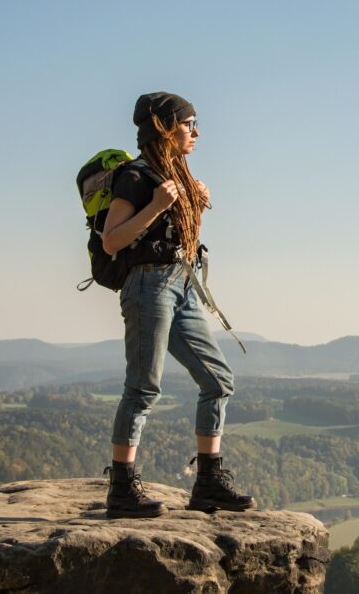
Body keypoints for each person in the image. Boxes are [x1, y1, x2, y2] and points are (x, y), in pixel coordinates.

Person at [100, 91, 255, 518]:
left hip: (180, 283)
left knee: (218, 379)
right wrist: (157, 206)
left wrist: (192, 201)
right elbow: (112, 239)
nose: (197, 132)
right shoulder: (135, 176)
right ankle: (122, 488)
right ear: (166, 128)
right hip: (149, 285)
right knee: (144, 388)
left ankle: (208, 482)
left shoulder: (177, 175)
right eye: (189, 124)